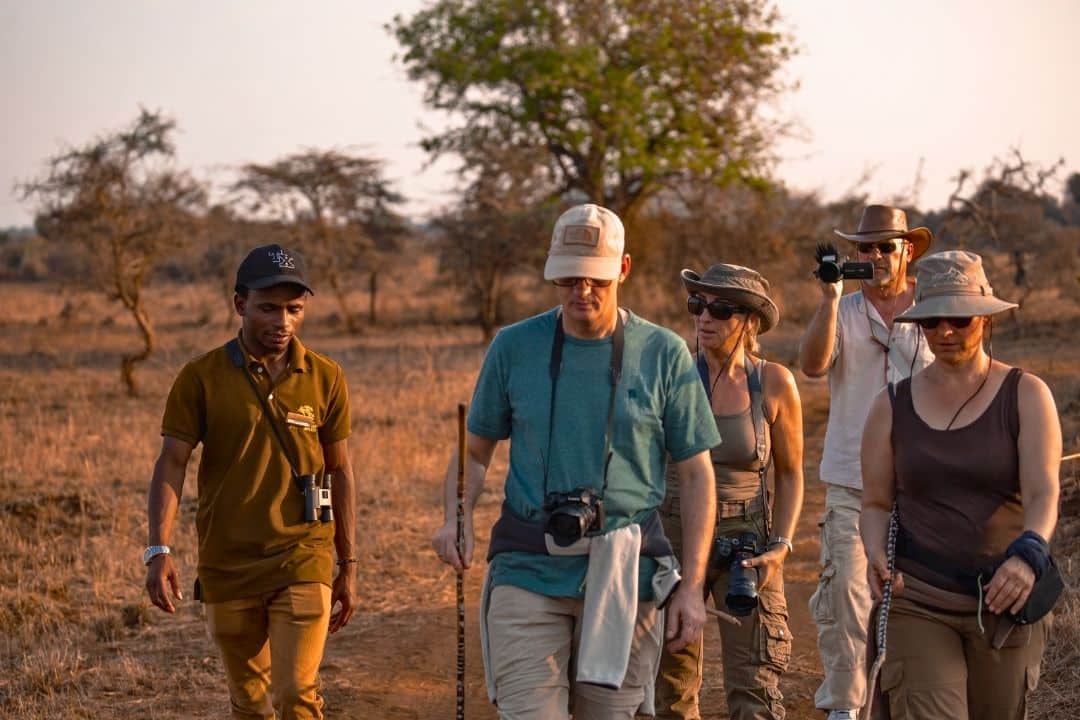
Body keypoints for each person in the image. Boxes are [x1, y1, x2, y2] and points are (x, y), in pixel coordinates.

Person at [431, 203, 720, 720]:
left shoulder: (663, 352)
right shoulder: (514, 347)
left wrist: (692, 588)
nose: (581, 292)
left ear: (624, 269)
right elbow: (474, 451)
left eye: (595, 280)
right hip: (527, 565)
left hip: (625, 572)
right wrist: (456, 517)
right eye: (568, 278)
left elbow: (698, 473)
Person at [144, 244, 358, 719]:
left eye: (293, 309)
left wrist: (349, 564)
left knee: (296, 694)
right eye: (268, 308)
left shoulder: (325, 377)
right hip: (228, 565)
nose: (282, 321)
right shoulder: (200, 378)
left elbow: (339, 471)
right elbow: (172, 462)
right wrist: (158, 549)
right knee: (251, 703)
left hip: (303, 556)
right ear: (240, 305)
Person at [860, 250, 1061, 718]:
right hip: (919, 597)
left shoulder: (1026, 395)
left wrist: (1030, 555)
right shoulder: (890, 406)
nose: (945, 332)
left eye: (959, 318)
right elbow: (874, 502)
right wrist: (873, 550)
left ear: (985, 320)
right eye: (931, 322)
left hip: (1005, 600)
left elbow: (1042, 492)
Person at [798, 205, 935, 720]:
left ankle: (906, 700)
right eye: (865, 248)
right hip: (851, 482)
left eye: (885, 247)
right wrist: (830, 299)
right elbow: (812, 366)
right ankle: (844, 707)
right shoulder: (843, 310)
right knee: (846, 600)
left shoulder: (936, 308)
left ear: (907, 250)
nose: (875, 256)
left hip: (923, 484)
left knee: (915, 601)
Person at [655, 264, 805, 720]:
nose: (704, 318)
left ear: (750, 322)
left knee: (755, 684)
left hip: (747, 540)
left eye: (720, 309)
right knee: (671, 681)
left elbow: (791, 473)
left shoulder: (773, 382)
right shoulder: (672, 374)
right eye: (697, 305)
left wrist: (780, 546)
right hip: (677, 531)